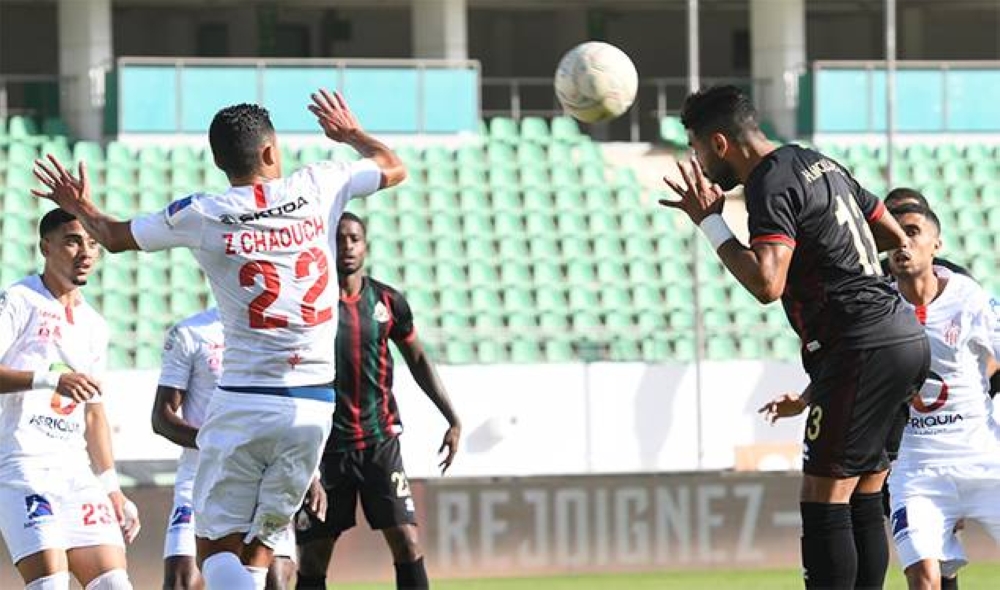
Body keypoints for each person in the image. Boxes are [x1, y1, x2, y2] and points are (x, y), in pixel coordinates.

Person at [31, 88, 406, 590]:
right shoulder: (321, 182)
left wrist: (80, 205)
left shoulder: (204, 213)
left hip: (245, 403)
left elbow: (115, 238)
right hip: (314, 411)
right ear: (271, 152)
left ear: (217, 160)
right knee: (260, 547)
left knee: (212, 552)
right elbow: (392, 166)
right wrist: (349, 133)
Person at [660, 85, 930, 589]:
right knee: (866, 491)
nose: (696, 160)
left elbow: (767, 283)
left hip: (859, 346)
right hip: (903, 337)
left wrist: (712, 224)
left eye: (696, 149)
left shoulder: (768, 183)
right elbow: (893, 235)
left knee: (824, 497)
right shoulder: (818, 162)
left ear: (719, 144)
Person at [762, 204, 1000, 590]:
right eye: (895, 235)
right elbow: (851, 362)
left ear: (936, 243)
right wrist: (807, 398)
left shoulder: (969, 298)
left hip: (983, 457)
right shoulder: (876, 304)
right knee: (924, 578)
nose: (901, 243)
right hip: (916, 468)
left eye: (912, 232)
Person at [294, 213, 462, 590]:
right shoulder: (310, 305)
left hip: (378, 442)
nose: (348, 246)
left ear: (365, 245)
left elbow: (417, 358)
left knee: (407, 540)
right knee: (314, 555)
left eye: (354, 238)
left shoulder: (387, 301)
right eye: (340, 239)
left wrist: (452, 417)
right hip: (325, 449)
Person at [0, 208, 141, 589]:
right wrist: (49, 380)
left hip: (76, 473)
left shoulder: (95, 325)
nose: (86, 252)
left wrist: (112, 488)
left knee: (115, 584)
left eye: (93, 243)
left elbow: (95, 415)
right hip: (22, 466)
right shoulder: (19, 299)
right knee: (51, 584)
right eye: (73, 241)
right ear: (46, 247)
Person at [152, 308, 323, 590]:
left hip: (267, 475)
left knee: (274, 579)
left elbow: (296, 407)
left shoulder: (280, 333)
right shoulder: (190, 332)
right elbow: (162, 417)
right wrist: (219, 443)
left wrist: (311, 473)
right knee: (183, 580)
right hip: (201, 477)